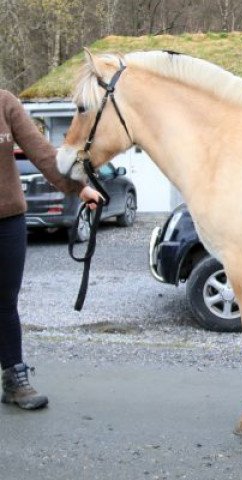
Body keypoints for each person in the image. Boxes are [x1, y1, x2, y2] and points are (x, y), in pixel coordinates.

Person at [0, 89, 101, 410]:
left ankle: (14, 379)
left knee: (5, 302)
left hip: (8, 219)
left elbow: (42, 153)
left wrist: (79, 187)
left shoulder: (4, 102)